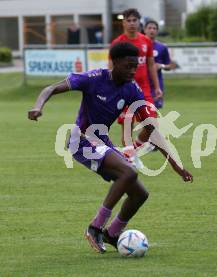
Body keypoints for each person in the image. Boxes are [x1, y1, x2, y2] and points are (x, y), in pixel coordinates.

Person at [27, 42, 193, 254]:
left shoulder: (132, 89)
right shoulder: (93, 78)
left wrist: (176, 166)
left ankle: (112, 233)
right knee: (128, 172)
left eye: (136, 66)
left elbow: (151, 129)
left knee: (140, 194)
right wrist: (37, 107)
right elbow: (50, 88)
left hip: (101, 141)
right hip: (82, 139)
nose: (133, 71)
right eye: (129, 66)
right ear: (115, 63)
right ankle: (95, 227)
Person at [111, 8, 162, 148]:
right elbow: (111, 68)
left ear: (139, 22)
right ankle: (130, 157)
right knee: (127, 130)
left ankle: (132, 152)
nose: (132, 23)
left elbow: (151, 65)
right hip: (124, 90)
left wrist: (156, 87)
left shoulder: (146, 41)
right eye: (129, 20)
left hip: (143, 90)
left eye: (135, 20)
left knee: (151, 124)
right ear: (124, 23)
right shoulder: (117, 43)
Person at [144, 19, 178, 109]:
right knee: (138, 111)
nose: (152, 30)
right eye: (149, 28)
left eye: (154, 28)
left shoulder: (162, 47)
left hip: (156, 84)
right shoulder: (139, 45)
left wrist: (161, 66)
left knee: (153, 111)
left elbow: (170, 65)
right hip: (141, 82)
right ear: (145, 30)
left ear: (157, 31)